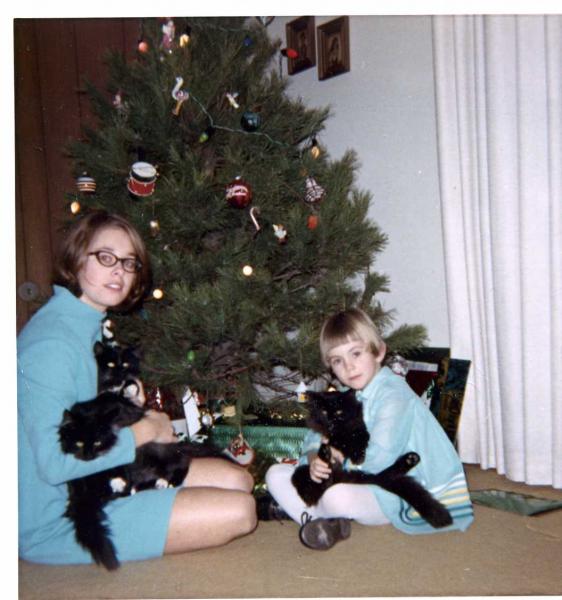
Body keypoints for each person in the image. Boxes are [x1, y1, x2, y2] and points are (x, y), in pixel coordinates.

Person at [18, 210, 257, 566]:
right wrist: (145, 432)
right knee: (241, 511)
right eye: (106, 257)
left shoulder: (87, 323)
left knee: (239, 480)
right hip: (62, 517)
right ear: (76, 258)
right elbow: (55, 464)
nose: (119, 271)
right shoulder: (51, 343)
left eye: (129, 263)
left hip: (102, 478)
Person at [265, 308, 473, 550]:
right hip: (352, 478)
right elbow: (315, 435)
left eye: (356, 353)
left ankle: (317, 516)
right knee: (275, 474)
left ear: (379, 352)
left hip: (394, 485)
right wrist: (315, 459)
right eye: (337, 361)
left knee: (336, 496)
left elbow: (381, 459)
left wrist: (339, 460)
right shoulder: (346, 395)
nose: (349, 367)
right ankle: (326, 524)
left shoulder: (393, 394)